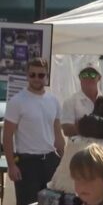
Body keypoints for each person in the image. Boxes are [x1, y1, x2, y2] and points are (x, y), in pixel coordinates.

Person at [3, 57, 65, 205]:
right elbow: (7, 136)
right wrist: (11, 165)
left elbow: (58, 135)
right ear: (27, 75)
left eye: (41, 75)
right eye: (32, 75)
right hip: (27, 163)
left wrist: (65, 160)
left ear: (47, 76)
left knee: (53, 202)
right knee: (27, 203)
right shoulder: (17, 101)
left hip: (50, 161)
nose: (36, 78)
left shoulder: (54, 101)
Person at [61, 62, 101, 136]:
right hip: (79, 147)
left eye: (92, 75)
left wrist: (80, 125)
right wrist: (99, 126)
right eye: (84, 75)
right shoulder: (70, 102)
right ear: (79, 78)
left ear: (99, 78)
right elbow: (67, 130)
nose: (88, 78)